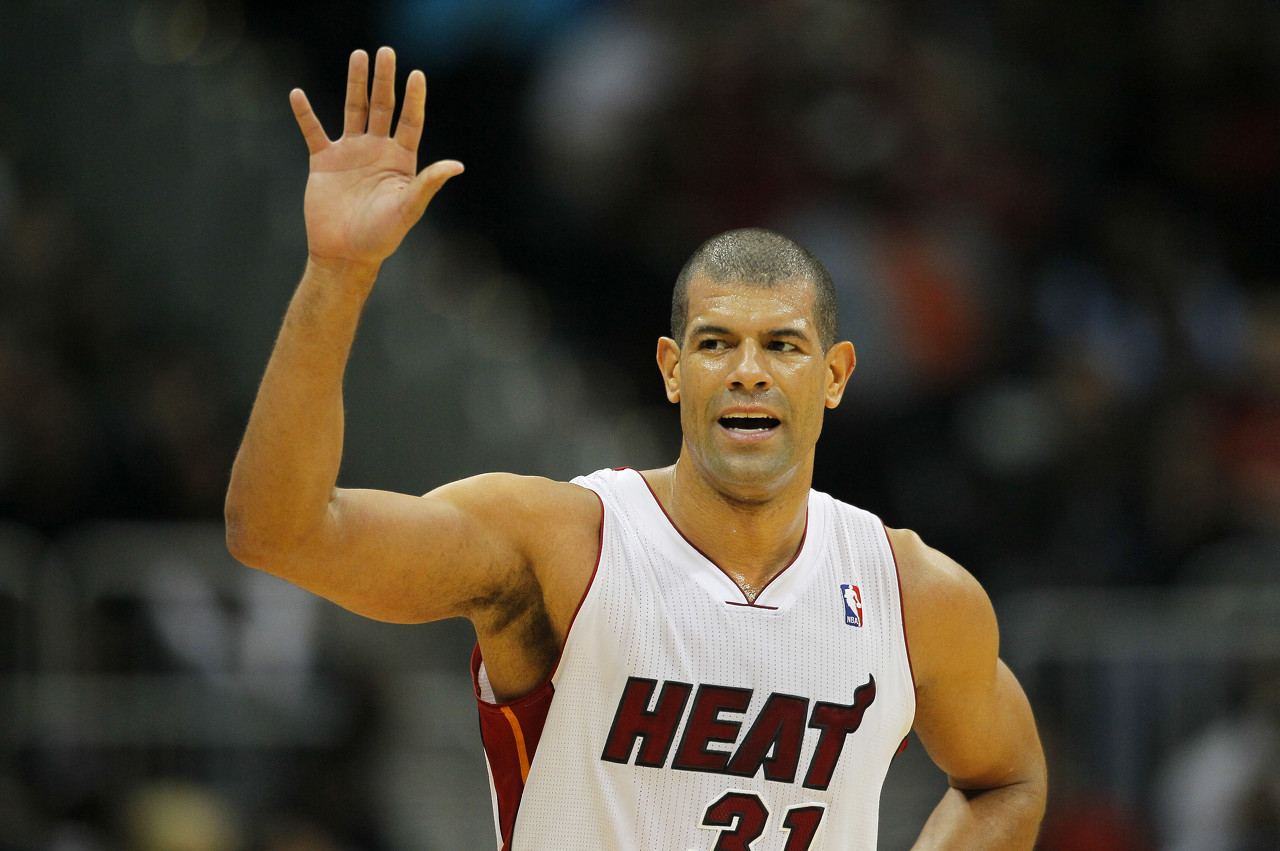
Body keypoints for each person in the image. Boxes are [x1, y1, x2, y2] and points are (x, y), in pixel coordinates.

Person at [225, 46, 1047, 850]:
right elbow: (278, 531)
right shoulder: (560, 545)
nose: (749, 372)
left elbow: (1008, 781)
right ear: (672, 370)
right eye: (716, 343)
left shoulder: (914, 594)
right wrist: (338, 273)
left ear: (834, 376)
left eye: (783, 346)